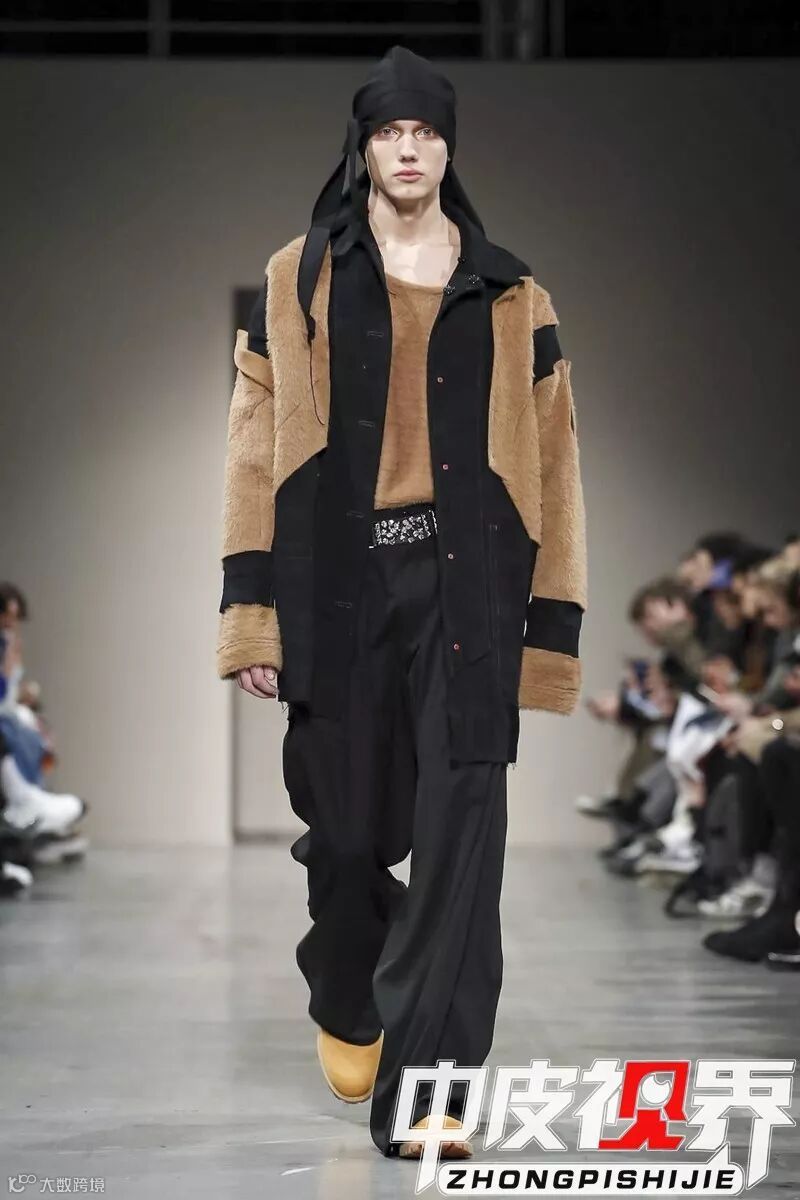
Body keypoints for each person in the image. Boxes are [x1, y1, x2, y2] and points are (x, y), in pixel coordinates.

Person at [215, 45, 588, 1160]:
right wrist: (249, 612)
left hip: (469, 587)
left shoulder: (512, 292)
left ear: (448, 147)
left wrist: (549, 629)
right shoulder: (300, 275)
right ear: (364, 147)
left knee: (460, 846)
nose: (410, 148)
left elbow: (556, 466)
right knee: (345, 840)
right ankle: (348, 984)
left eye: (426, 131)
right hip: (341, 585)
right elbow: (252, 450)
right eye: (390, 132)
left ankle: (433, 1095)